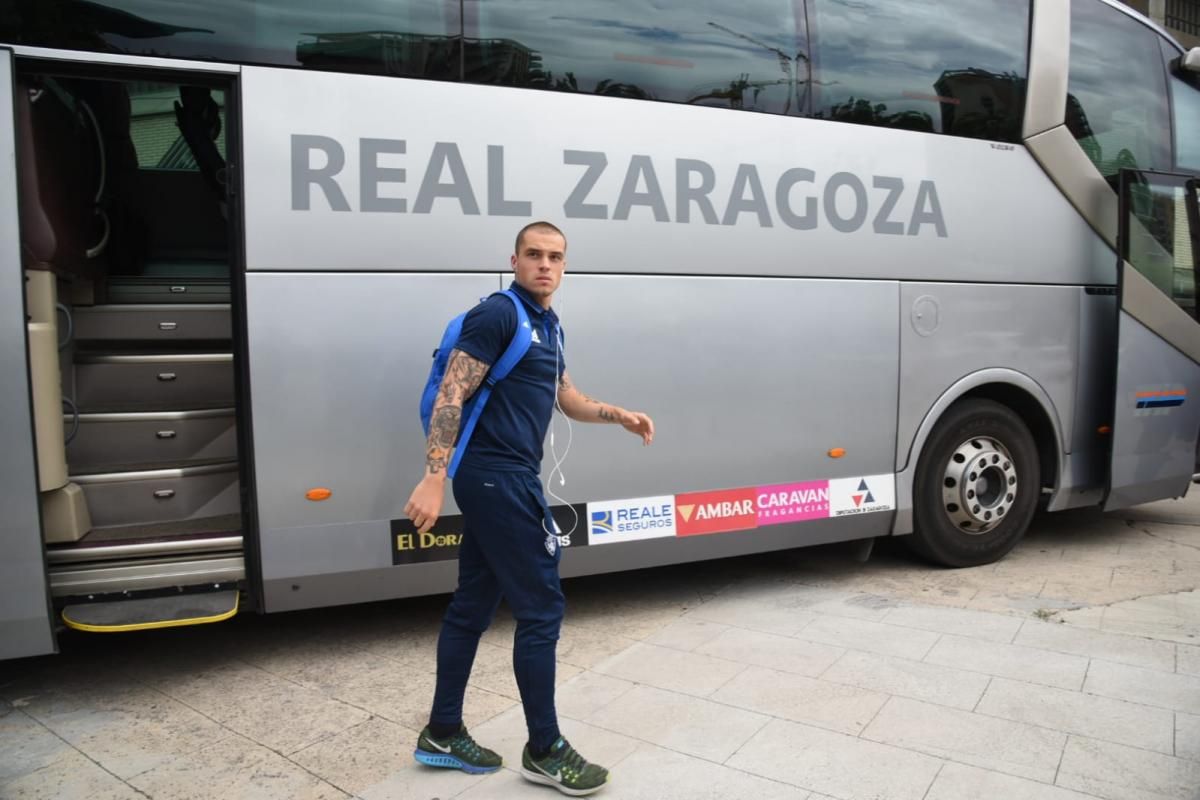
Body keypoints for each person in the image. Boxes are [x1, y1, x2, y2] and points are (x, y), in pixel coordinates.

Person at [405, 221, 654, 796]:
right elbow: (452, 391)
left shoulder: (548, 325)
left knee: (472, 605)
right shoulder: (499, 314)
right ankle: (545, 749)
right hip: (496, 477)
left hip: (505, 478)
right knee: (541, 608)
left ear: (565, 266)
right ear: (514, 260)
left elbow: (565, 396)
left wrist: (620, 415)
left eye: (556, 257)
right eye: (535, 255)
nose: (545, 265)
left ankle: (442, 732)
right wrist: (433, 477)